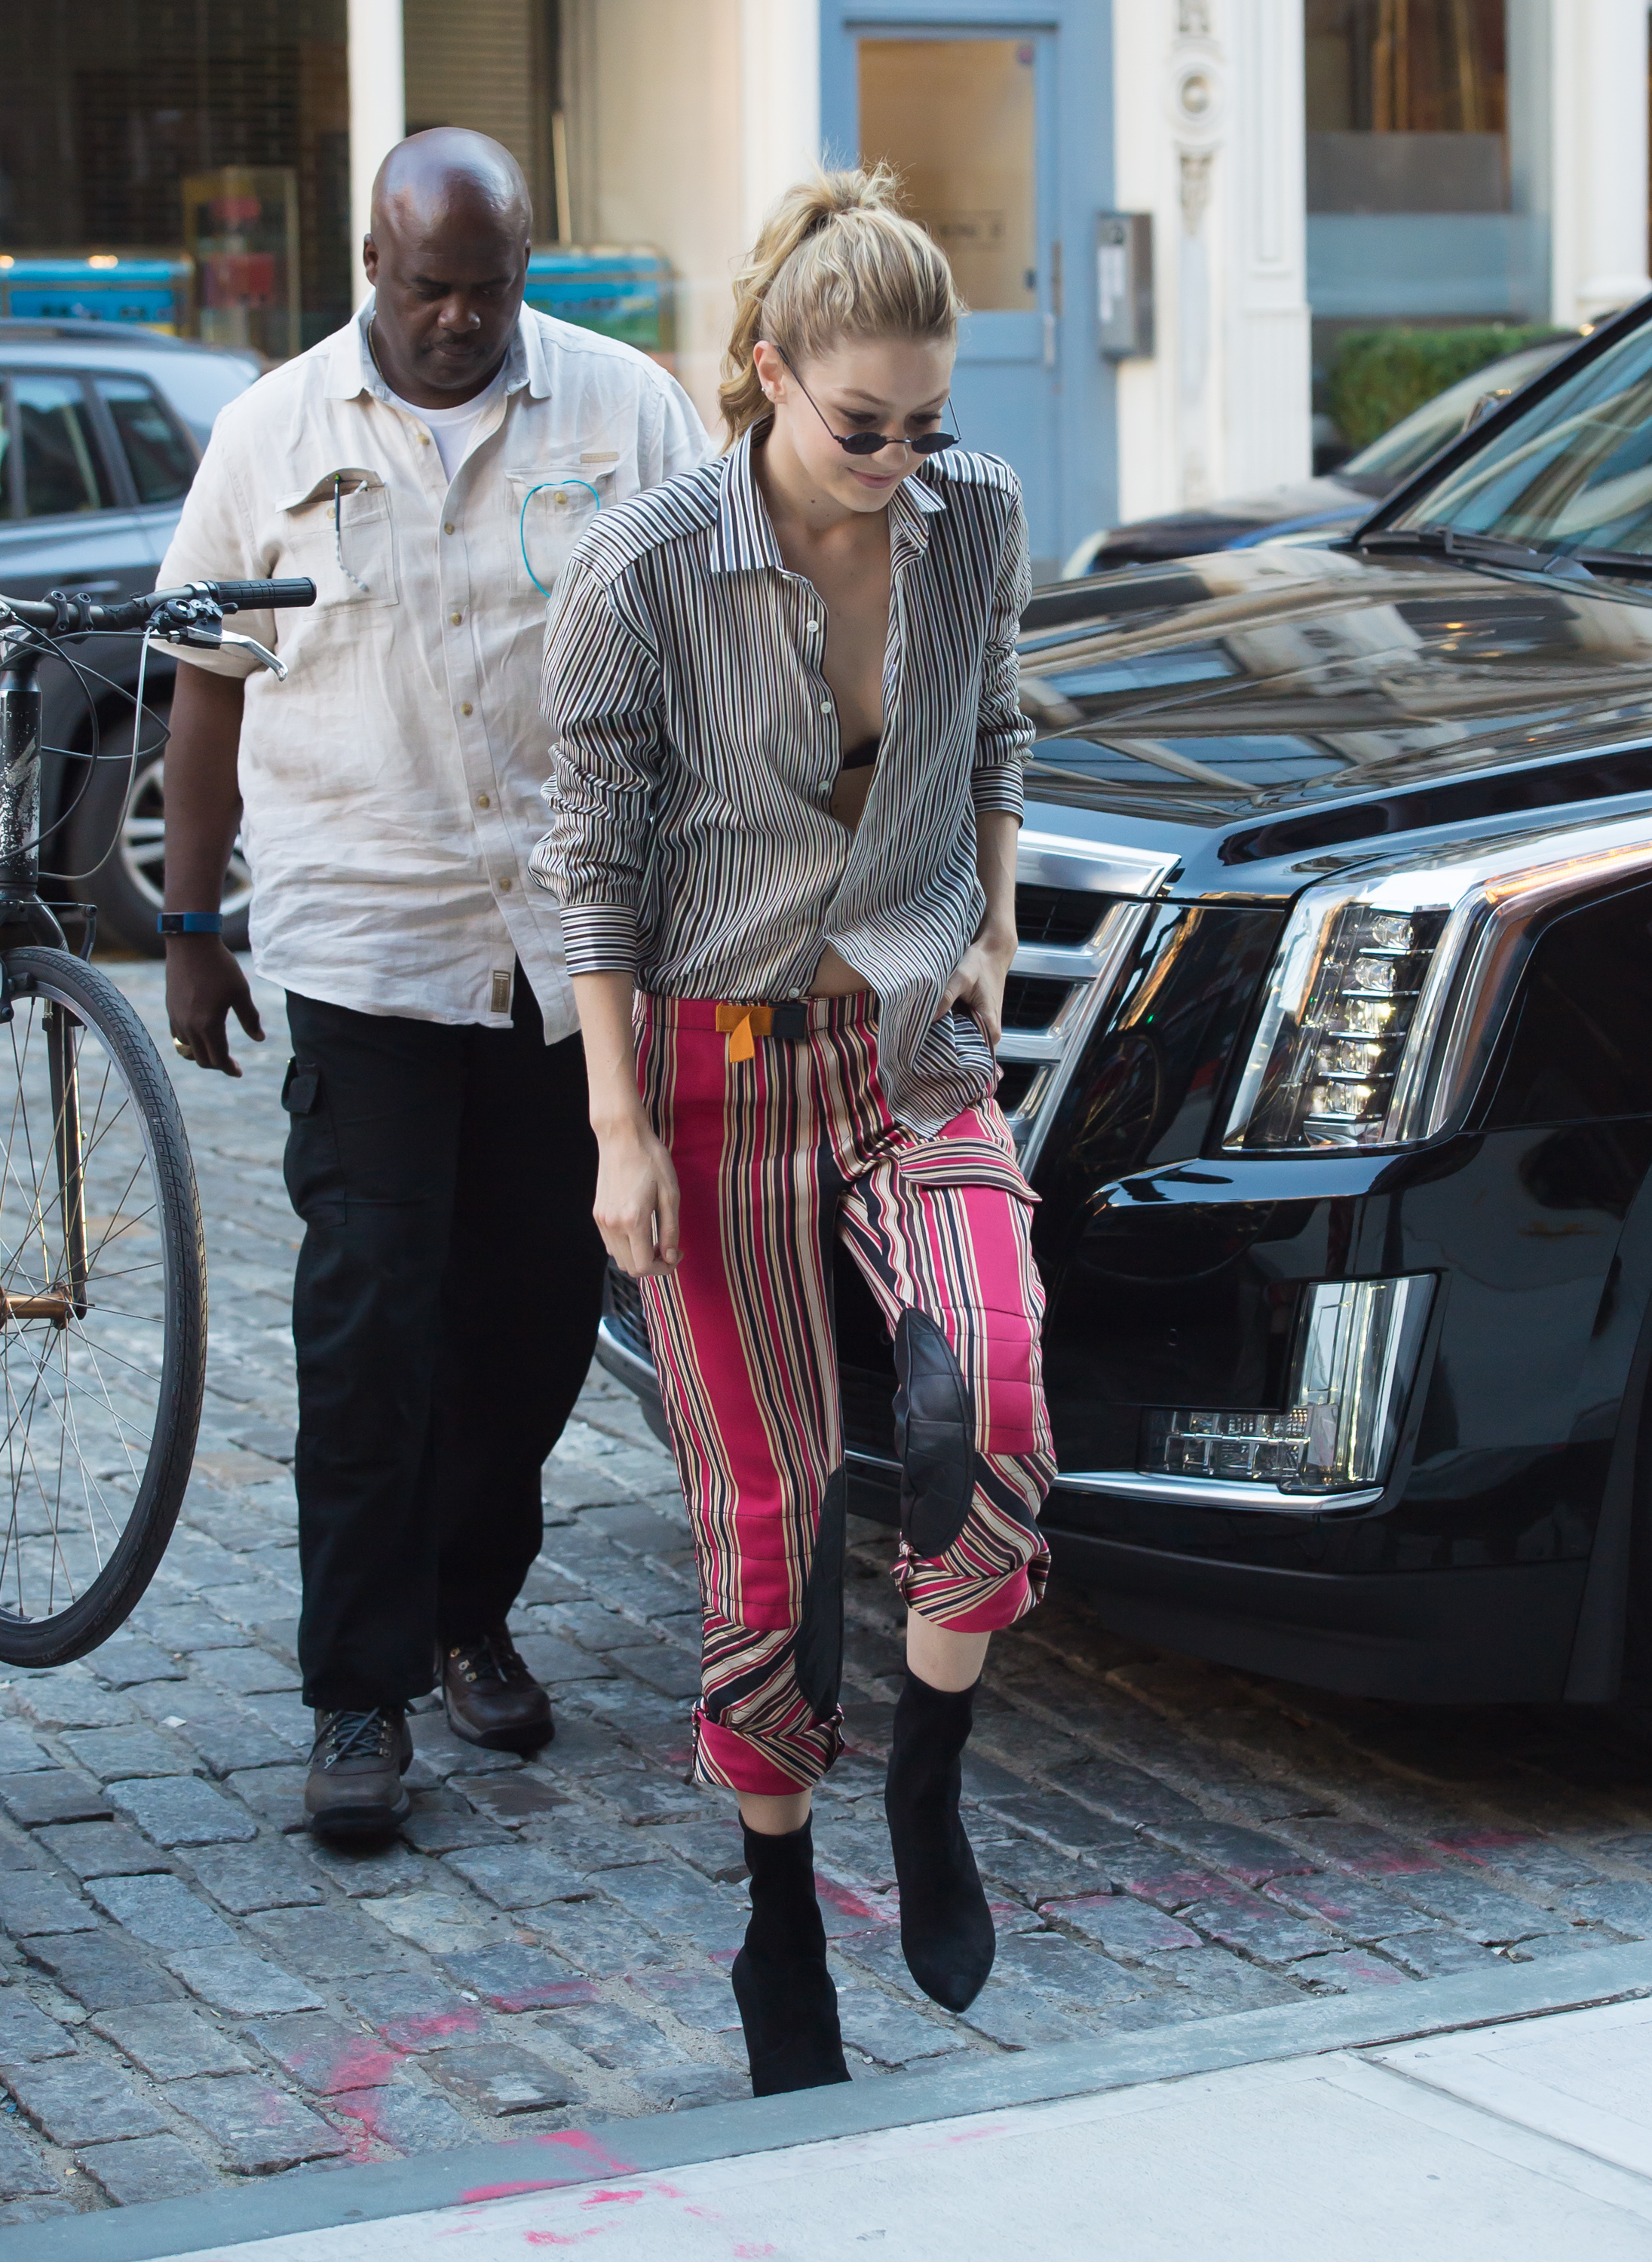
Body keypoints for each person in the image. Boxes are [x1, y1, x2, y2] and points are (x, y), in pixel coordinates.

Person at [535, 167, 1053, 2095]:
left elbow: (996, 722)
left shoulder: (971, 515)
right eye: (862, 427)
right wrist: (616, 1128)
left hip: (907, 1045)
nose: (901, 461)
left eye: (926, 423)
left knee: (994, 1394)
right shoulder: (649, 563)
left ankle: (927, 1781)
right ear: (766, 370)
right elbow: (589, 864)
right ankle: (778, 1907)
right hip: (712, 1071)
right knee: (769, 1513)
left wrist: (993, 910)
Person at [159, 129, 710, 1841]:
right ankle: (358, 1692)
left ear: (525, 267)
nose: (461, 320)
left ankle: (471, 1609)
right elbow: (203, 682)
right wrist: (188, 925)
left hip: (573, 962)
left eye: (490, 288)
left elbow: (720, 642)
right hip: (369, 950)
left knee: (532, 1327)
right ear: (373, 271)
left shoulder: (628, 412)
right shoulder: (271, 437)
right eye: (429, 289)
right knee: (368, 1332)